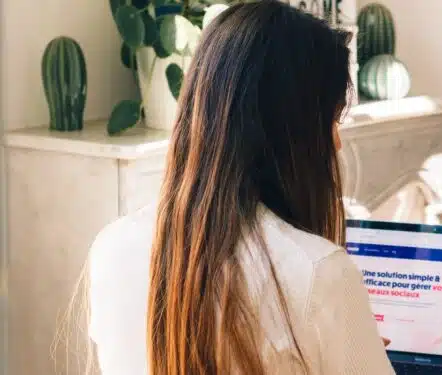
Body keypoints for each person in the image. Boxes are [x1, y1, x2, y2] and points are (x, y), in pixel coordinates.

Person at [86, 2, 393, 374]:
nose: (337, 142)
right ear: (292, 131)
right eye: (332, 119)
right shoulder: (319, 272)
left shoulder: (113, 246)